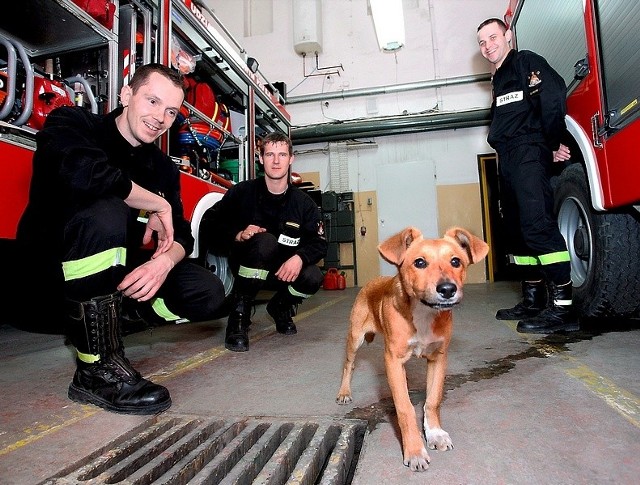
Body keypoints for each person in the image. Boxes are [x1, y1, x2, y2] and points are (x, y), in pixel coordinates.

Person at [16, 63, 226, 415]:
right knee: (106, 209)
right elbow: (89, 175)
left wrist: (163, 262)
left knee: (207, 291)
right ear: (126, 94)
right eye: (153, 101)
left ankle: (113, 322)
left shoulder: (162, 167)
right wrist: (155, 202)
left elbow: (183, 234)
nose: (160, 117)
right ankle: (95, 368)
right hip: (47, 284)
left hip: (109, 283)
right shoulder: (73, 123)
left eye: (171, 111)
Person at [476, 18, 578, 333]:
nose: (487, 45)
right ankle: (533, 299)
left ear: (508, 35)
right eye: (482, 42)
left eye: (492, 37)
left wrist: (551, 142)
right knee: (517, 232)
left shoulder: (525, 62)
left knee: (537, 226)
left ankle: (563, 308)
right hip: (507, 159)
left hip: (528, 154)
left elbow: (552, 97)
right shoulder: (498, 79)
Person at [201, 132, 327, 352]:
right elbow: (209, 224)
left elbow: (320, 242)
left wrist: (299, 258)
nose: (276, 161)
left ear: (291, 159)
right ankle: (239, 314)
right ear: (260, 158)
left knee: (313, 277)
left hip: (282, 273)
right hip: (247, 272)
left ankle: (280, 307)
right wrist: (238, 233)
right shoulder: (242, 193)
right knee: (265, 242)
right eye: (270, 154)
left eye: (282, 154)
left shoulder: (303, 203)